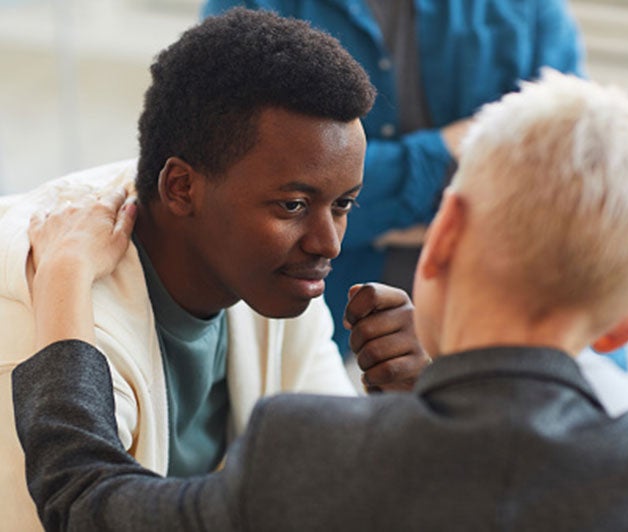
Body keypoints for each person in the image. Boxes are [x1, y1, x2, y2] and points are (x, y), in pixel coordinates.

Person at [13, 71, 628, 530]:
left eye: (345, 207)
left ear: (446, 232)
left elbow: (87, 504)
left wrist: (67, 276)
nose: (330, 243)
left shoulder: (309, 450)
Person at [0, 9, 432, 530]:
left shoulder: (272, 279)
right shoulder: (37, 331)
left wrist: (407, 412)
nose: (330, 243)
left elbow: (337, 498)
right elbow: (78, 504)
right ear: (180, 188)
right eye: (293, 205)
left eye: (343, 205)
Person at [201, 0, 602, 354]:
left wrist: (365, 204)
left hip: (506, 337)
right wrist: (445, 156)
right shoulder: (255, 4)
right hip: (323, 338)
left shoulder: (530, 9)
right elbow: (239, 184)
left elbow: (569, 184)